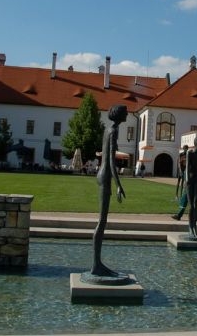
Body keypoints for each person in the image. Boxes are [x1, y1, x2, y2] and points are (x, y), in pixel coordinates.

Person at [88, 104, 127, 279]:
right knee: (101, 221)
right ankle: (96, 265)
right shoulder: (114, 131)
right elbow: (111, 161)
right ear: (120, 115)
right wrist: (119, 184)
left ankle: (98, 264)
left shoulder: (109, 129)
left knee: (102, 221)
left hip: (102, 174)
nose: (127, 114)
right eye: (125, 112)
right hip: (105, 176)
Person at [171, 145, 189, 220]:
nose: (185, 150)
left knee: (183, 185)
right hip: (181, 171)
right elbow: (179, 163)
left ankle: (181, 195)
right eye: (185, 149)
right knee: (179, 183)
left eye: (186, 149)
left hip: (186, 172)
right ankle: (176, 195)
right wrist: (181, 171)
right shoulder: (181, 154)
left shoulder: (188, 155)